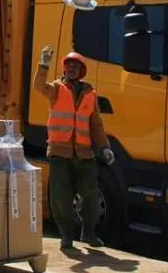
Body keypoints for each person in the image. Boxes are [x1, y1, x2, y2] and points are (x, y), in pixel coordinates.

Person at [34, 45, 115, 250]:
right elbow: (39, 87)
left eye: (75, 66)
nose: (71, 68)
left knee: (91, 196)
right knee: (61, 197)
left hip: (84, 154)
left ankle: (88, 233)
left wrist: (104, 147)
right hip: (60, 153)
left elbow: (95, 124)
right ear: (64, 69)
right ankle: (66, 236)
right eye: (68, 65)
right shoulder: (56, 89)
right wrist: (43, 65)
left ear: (81, 71)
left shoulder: (90, 94)